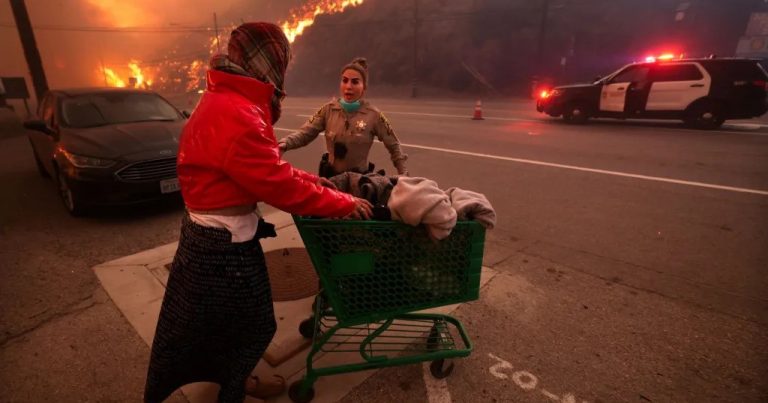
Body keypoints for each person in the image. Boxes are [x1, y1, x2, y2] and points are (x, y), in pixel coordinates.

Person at [143, 22, 372, 403]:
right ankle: (234, 389)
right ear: (270, 62)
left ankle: (225, 376)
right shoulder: (241, 113)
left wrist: (318, 183)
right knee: (253, 326)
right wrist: (343, 203)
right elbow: (278, 185)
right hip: (222, 246)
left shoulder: (223, 98)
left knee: (210, 325)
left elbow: (266, 170)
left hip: (206, 237)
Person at [278, 57, 409, 178]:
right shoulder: (328, 110)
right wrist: (285, 144)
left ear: (364, 87)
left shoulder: (374, 115)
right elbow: (305, 133)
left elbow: (394, 146)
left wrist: (403, 174)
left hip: (358, 183)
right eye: (345, 80)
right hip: (331, 181)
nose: (348, 86)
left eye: (355, 82)